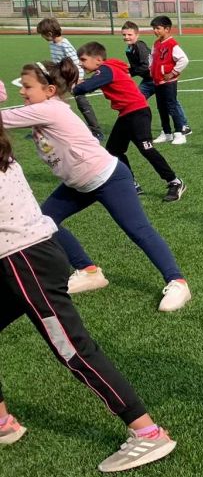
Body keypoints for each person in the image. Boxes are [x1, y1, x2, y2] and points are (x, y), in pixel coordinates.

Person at [0, 113, 178, 472]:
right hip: (25, 257)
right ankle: (3, 423)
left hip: (25, 263)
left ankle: (147, 433)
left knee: (72, 348)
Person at [0, 62, 192, 311]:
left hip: (108, 178)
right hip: (79, 184)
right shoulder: (41, 110)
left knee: (138, 230)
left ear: (49, 90)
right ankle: (89, 271)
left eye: (27, 87)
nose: (22, 91)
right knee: (44, 221)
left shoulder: (50, 109)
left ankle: (178, 282)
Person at [74, 41, 186, 202]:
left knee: (146, 148)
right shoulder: (107, 69)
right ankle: (131, 184)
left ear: (97, 59)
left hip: (137, 112)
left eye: (83, 59)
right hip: (127, 113)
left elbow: (85, 87)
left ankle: (175, 181)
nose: (80, 63)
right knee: (114, 150)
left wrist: (74, 86)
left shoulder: (105, 69)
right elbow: (91, 83)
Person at [36, 17, 104, 140]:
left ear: (50, 33)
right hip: (60, 78)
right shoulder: (52, 44)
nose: (42, 37)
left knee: (82, 103)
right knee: (48, 99)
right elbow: (57, 62)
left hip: (72, 78)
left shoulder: (65, 44)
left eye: (43, 34)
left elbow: (77, 62)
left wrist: (78, 79)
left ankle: (96, 131)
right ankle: (42, 130)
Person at [148, 15, 192, 145]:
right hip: (157, 81)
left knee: (172, 107)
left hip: (168, 82)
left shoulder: (172, 44)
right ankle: (166, 132)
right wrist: (151, 69)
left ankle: (179, 133)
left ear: (167, 29)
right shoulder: (156, 43)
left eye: (158, 28)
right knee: (161, 107)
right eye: (154, 28)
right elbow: (151, 58)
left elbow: (184, 60)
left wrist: (173, 73)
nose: (155, 31)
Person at [121, 20, 154, 98]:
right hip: (148, 80)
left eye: (129, 34)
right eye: (124, 35)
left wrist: (130, 73)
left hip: (159, 79)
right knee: (136, 100)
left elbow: (146, 65)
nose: (126, 37)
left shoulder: (139, 46)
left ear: (137, 35)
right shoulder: (129, 49)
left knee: (170, 103)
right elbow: (136, 67)